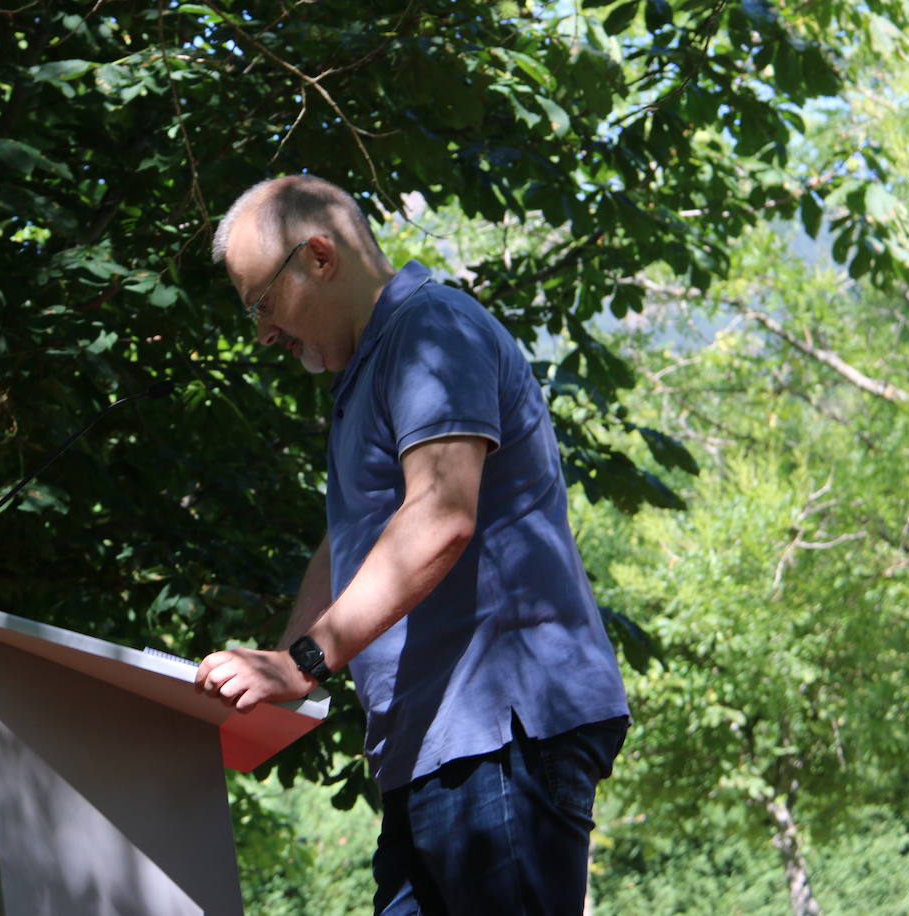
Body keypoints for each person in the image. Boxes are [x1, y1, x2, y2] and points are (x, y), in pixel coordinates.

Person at [194, 175, 630, 915]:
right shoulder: (362, 374)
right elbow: (348, 545)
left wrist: (302, 663)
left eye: (261, 303)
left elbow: (439, 516)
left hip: (501, 735)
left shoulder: (433, 332)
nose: (262, 332)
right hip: (433, 752)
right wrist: (282, 670)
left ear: (320, 257)